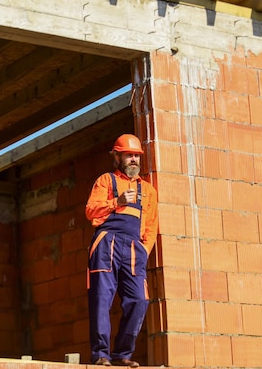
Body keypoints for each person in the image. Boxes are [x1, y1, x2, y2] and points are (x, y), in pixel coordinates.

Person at [85, 134, 159, 367]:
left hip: (134, 249)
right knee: (101, 299)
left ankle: (122, 355)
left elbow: (151, 225)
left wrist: (143, 250)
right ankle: (101, 355)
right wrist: (117, 201)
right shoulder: (105, 181)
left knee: (139, 300)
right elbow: (91, 212)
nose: (134, 160)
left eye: (137, 156)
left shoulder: (148, 191)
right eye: (129, 155)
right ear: (117, 157)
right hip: (107, 245)